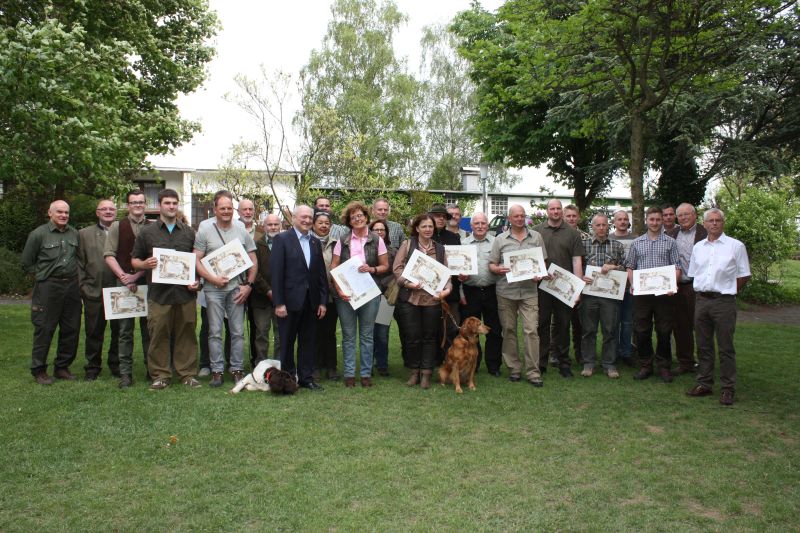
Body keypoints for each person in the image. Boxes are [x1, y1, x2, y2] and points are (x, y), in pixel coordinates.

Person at [131, 189, 201, 389]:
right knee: (158, 334)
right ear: (159, 205)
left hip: (184, 295)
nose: (171, 206)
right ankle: (160, 375)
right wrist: (145, 265)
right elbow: (134, 260)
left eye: (174, 203)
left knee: (186, 334)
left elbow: (195, 263)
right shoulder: (147, 232)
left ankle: (187, 374)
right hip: (159, 295)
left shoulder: (188, 232)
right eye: (167, 203)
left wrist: (195, 281)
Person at [686, 208, 750, 406]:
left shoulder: (735, 246)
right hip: (702, 301)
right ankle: (704, 383)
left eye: (718, 220)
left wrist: (728, 290)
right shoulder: (698, 247)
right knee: (703, 345)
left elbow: (744, 274)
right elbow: (694, 273)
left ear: (723, 223)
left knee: (725, 346)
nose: (714, 224)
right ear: (704, 224)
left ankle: (727, 388)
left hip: (724, 301)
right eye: (710, 221)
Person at [195, 190, 258, 387]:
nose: (226, 211)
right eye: (222, 208)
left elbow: (253, 261)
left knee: (237, 331)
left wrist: (248, 285)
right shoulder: (205, 230)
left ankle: (237, 369)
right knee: (214, 331)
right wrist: (212, 278)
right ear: (215, 209)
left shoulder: (241, 231)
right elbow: (196, 260)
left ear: (233, 210)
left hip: (236, 289)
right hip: (213, 289)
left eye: (229, 208)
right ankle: (217, 371)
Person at [22, 200, 82, 385]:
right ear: (50, 213)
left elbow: (78, 258)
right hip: (48, 287)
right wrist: (43, 277)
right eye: (59, 212)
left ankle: (62, 367)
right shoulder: (38, 234)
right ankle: (39, 370)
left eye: (66, 213)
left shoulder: (74, 233)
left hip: (71, 286)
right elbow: (27, 262)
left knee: (71, 328)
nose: (63, 215)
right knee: (44, 328)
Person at [330, 201, 389, 387]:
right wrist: (338, 289)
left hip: (369, 293)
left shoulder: (377, 240)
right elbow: (334, 267)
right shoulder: (342, 240)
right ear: (349, 221)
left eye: (360, 215)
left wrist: (372, 269)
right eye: (353, 216)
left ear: (366, 217)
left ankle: (365, 374)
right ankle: (349, 374)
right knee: (348, 336)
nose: (357, 218)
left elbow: (385, 266)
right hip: (346, 294)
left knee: (366, 335)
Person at [270, 205, 328, 391]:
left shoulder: (314, 242)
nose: (307, 220)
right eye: (303, 217)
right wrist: (279, 302)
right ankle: (287, 379)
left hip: (311, 302)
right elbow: (276, 273)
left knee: (308, 342)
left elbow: (320, 275)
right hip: (288, 302)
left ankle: (306, 378)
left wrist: (322, 301)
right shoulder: (282, 239)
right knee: (286, 342)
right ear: (293, 218)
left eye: (310, 217)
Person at [489, 204, 548, 387]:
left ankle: (533, 372)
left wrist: (540, 273)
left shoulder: (536, 237)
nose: (520, 219)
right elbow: (492, 264)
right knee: (509, 330)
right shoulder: (500, 239)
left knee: (531, 330)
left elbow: (543, 262)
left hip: (529, 291)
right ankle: (514, 368)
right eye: (516, 216)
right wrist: (498, 269)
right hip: (506, 291)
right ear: (510, 218)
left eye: (522, 215)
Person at [393, 214, 452, 389]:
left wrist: (446, 291)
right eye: (424, 226)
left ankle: (426, 373)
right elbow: (397, 269)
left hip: (432, 301)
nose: (428, 229)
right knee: (412, 337)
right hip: (410, 299)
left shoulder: (440, 249)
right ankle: (414, 372)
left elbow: (446, 276)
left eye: (430, 227)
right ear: (417, 228)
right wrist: (408, 283)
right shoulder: (408, 245)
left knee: (430, 337)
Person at [625, 206, 680, 383]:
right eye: (652, 219)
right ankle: (646, 365)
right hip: (642, 295)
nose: (655, 223)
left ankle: (664, 366)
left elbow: (677, 267)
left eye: (658, 219)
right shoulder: (637, 243)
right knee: (642, 330)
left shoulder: (671, 242)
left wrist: (674, 284)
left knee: (664, 330)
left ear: (662, 221)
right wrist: (633, 284)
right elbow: (630, 267)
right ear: (646, 221)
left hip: (664, 295)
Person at [104, 190, 152, 387]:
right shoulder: (117, 226)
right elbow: (109, 254)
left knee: (149, 329)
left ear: (145, 204)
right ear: (127, 205)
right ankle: (125, 373)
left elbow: (152, 258)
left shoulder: (153, 227)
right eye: (134, 202)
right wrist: (124, 277)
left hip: (147, 283)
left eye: (141, 202)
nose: (137, 205)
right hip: (122, 284)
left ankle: (152, 369)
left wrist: (137, 275)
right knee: (124, 330)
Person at [533, 199, 584, 377]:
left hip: (565, 288)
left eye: (558, 209)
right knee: (542, 325)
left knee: (563, 325)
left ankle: (564, 363)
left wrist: (577, 289)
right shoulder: (537, 231)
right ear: (547, 211)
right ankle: (541, 362)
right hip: (542, 286)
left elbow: (577, 260)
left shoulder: (572, 233)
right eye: (552, 209)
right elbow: (533, 258)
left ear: (561, 211)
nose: (555, 211)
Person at [579, 214, 626, 378]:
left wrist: (613, 267)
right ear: (592, 227)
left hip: (610, 297)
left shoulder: (617, 246)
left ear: (609, 226)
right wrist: (580, 276)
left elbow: (626, 268)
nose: (600, 228)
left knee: (610, 330)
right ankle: (589, 363)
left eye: (603, 225)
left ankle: (609, 364)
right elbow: (577, 266)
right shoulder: (583, 244)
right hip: (589, 295)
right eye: (597, 225)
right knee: (588, 330)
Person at [78, 199, 120, 381]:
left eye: (112, 209)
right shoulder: (84, 234)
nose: (108, 212)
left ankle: (116, 364)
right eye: (104, 209)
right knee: (94, 331)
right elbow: (79, 262)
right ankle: (92, 366)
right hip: (94, 290)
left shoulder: (123, 230)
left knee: (119, 331)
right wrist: (83, 286)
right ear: (97, 212)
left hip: (119, 290)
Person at [459, 213, 503, 376]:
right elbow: (457, 272)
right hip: (470, 292)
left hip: (492, 290)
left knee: (494, 330)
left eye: (483, 223)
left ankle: (494, 366)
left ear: (487, 225)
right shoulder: (463, 244)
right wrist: (461, 290)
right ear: (471, 226)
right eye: (476, 223)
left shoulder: (497, 242)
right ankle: (473, 364)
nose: (479, 226)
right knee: (470, 332)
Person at [666, 203, 707, 375]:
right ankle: (685, 362)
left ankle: (705, 364)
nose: (683, 218)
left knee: (701, 326)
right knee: (680, 327)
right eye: (680, 215)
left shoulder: (705, 233)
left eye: (686, 214)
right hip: (677, 287)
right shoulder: (671, 234)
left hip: (697, 286)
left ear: (695, 215)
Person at [311, 210, 340, 381]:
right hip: (313, 296)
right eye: (320, 222)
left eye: (326, 223)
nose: (323, 226)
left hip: (333, 294)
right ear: (314, 225)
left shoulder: (337, 244)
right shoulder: (307, 242)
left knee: (329, 332)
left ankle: (331, 367)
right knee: (313, 331)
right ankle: (314, 366)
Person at [429, 203, 461, 352]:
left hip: (451, 290)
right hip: (429, 291)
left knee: (451, 328)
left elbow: (460, 263)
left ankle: (450, 359)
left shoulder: (454, 238)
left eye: (443, 216)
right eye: (437, 216)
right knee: (431, 327)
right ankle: (433, 360)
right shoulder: (424, 237)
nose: (441, 219)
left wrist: (463, 273)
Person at [251, 214, 281, 364]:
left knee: (281, 333)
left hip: (282, 298)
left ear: (280, 226)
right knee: (261, 333)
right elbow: (254, 272)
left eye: (276, 224)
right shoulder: (256, 245)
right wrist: (268, 291)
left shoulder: (286, 244)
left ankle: (279, 364)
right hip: (261, 298)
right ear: (263, 227)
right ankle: (261, 364)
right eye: (270, 225)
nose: (273, 227)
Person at [561, 204, 589, 365]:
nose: (571, 218)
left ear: (578, 217)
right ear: (564, 217)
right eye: (568, 216)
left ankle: (580, 353)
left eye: (574, 216)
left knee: (579, 322)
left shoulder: (586, 237)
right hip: (562, 283)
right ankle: (556, 353)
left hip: (581, 283)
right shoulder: (559, 234)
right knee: (559, 322)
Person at [369, 219, 397, 376]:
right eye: (375, 229)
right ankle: (369, 364)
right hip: (367, 294)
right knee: (369, 331)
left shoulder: (392, 251)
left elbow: (396, 272)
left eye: (382, 230)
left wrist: (382, 282)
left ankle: (382, 364)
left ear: (386, 233)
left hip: (386, 295)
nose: (379, 232)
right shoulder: (364, 249)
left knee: (382, 332)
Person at [611, 209, 636, 367]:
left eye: (625, 219)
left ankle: (626, 352)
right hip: (613, 287)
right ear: (614, 222)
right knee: (612, 322)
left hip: (630, 288)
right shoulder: (608, 239)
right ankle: (612, 353)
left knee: (627, 322)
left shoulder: (637, 239)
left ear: (628, 221)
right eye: (619, 219)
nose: (622, 222)